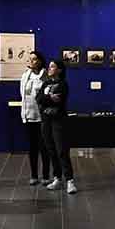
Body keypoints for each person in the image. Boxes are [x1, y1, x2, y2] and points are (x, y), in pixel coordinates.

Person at [40, 58, 73, 193]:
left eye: (52, 66)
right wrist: (49, 98)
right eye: (49, 66)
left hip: (58, 120)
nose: (49, 68)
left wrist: (47, 99)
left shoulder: (63, 84)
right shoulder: (45, 83)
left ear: (59, 70)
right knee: (51, 150)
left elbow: (59, 100)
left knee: (62, 150)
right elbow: (39, 99)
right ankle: (57, 178)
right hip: (46, 120)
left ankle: (70, 180)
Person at [20, 50, 48, 185]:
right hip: (29, 116)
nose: (31, 61)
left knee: (44, 147)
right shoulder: (25, 75)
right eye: (30, 59)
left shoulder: (45, 75)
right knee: (32, 147)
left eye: (34, 59)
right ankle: (34, 175)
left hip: (42, 116)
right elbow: (23, 95)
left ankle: (46, 175)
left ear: (40, 61)